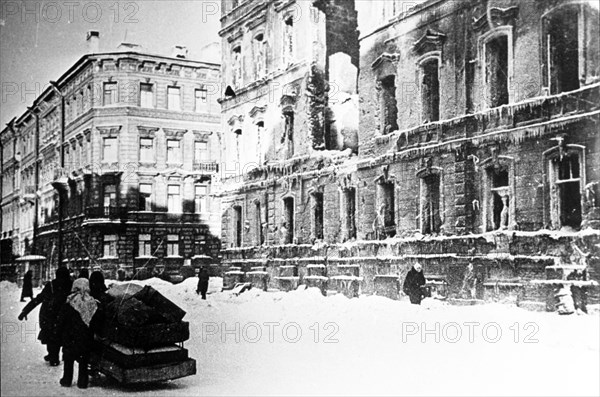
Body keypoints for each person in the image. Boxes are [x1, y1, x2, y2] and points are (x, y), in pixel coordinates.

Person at [18, 266, 73, 366]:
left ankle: (53, 356)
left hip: (50, 315)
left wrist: (25, 311)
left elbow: (38, 299)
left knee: (51, 336)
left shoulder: (51, 285)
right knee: (65, 335)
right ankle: (62, 356)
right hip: (65, 315)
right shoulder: (71, 285)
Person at [56, 278, 104, 389]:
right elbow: (96, 321)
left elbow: (61, 320)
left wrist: (58, 333)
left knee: (68, 359)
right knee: (84, 361)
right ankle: (83, 381)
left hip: (69, 338)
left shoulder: (69, 302)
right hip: (85, 338)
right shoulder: (92, 303)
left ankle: (66, 380)